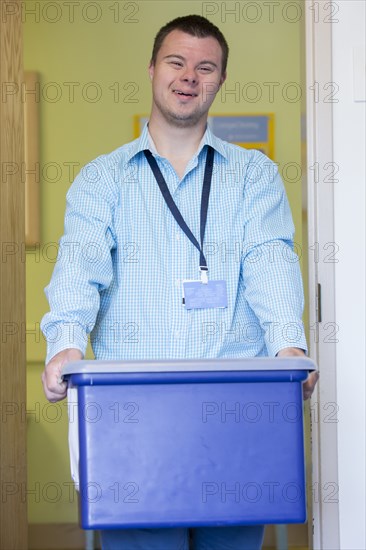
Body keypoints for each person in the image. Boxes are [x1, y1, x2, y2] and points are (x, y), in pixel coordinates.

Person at [41, 14, 318, 550]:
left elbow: (270, 261)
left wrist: (289, 345)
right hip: (133, 419)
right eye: (177, 61)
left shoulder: (253, 175)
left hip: (237, 413)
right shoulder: (103, 179)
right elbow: (80, 266)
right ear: (151, 70)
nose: (190, 75)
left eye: (206, 66)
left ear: (219, 81)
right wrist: (64, 345)